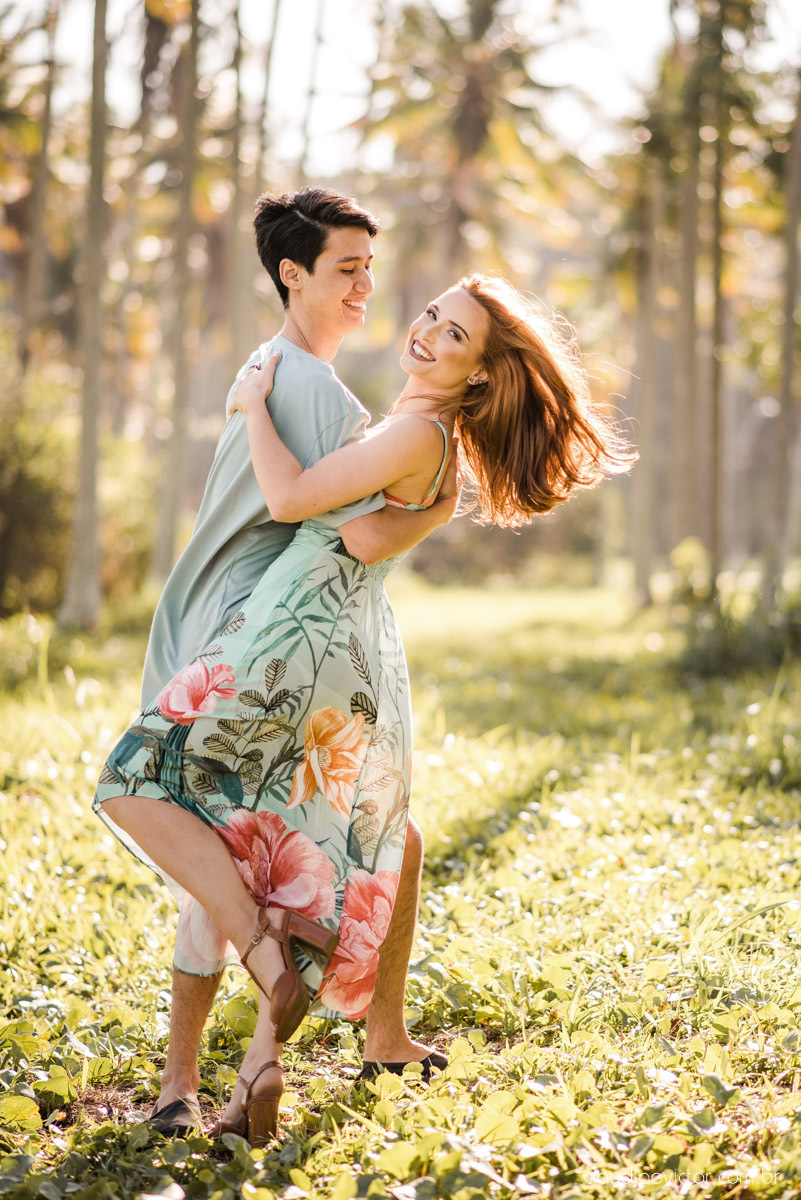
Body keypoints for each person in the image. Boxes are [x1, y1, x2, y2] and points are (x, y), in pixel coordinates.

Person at [95, 256, 632, 1143]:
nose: (424, 331)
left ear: (482, 373)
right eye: (429, 313)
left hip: (289, 641)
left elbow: (291, 496)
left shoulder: (417, 438)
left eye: (452, 333)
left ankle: (268, 963)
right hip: (346, 647)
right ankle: (262, 1072)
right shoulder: (420, 440)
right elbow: (359, 528)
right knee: (314, 840)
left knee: (133, 785)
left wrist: (252, 408)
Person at [95, 188, 457, 1140]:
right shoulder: (326, 402)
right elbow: (350, 528)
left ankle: (194, 1082)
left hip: (199, 617)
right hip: (250, 639)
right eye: (346, 269)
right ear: (292, 274)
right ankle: (265, 1029)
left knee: (235, 852)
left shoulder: (272, 368)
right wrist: (430, 510)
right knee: (261, 850)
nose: (365, 287)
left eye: (369, 269)